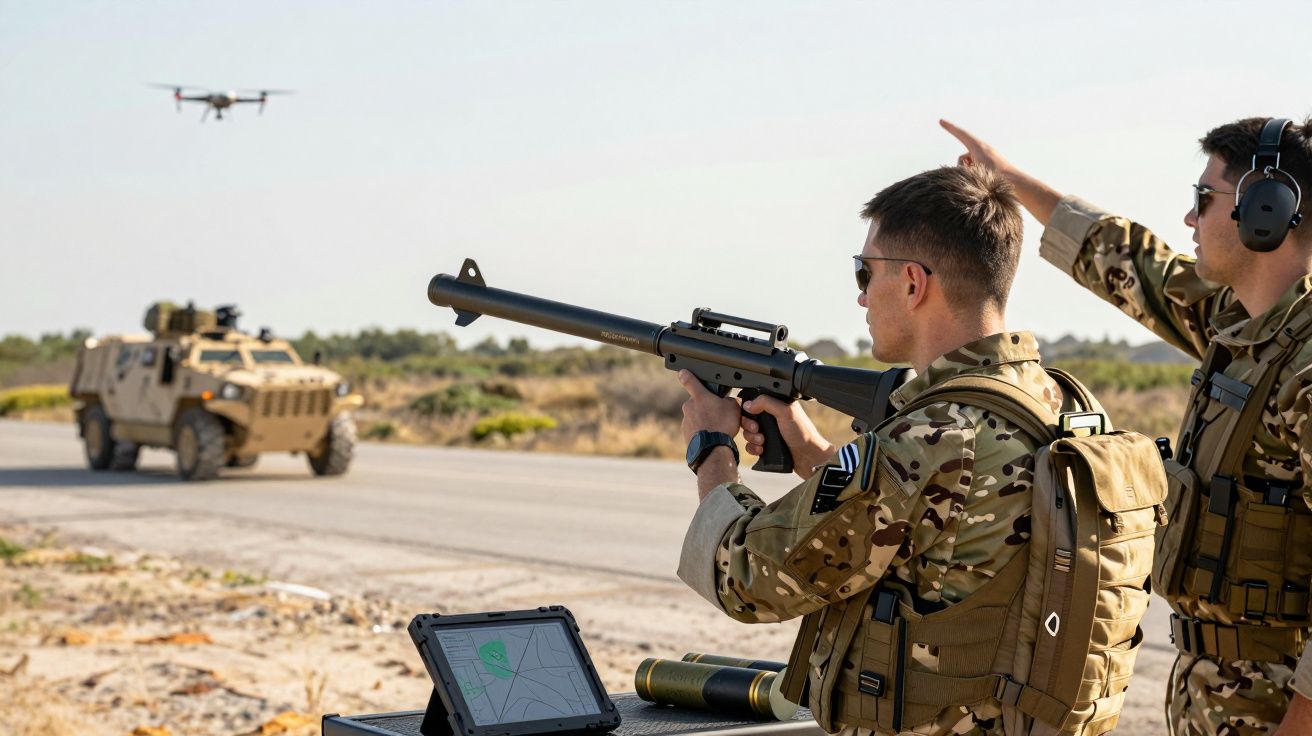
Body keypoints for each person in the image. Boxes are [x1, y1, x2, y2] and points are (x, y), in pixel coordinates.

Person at [941, 116, 1312, 735]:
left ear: (1266, 209)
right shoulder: (1240, 325)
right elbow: (1126, 262)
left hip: (1280, 706)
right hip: (1217, 691)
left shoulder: (1305, 365)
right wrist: (1006, 179)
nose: (1189, 220)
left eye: (1204, 199)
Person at [675, 165, 1073, 735]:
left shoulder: (933, 438)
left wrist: (712, 447)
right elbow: (923, 526)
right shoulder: (1061, 403)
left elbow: (748, 580)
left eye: (865, 272)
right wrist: (814, 451)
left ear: (913, 282)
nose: (861, 296)